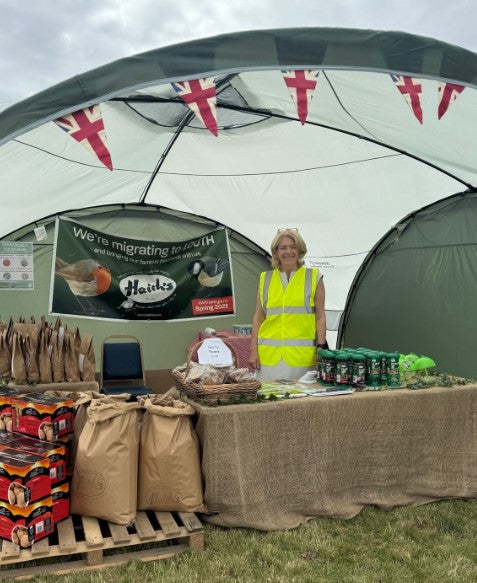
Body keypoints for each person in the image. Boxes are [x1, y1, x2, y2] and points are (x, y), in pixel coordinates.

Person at [248, 228, 327, 381]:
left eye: (293, 247)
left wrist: (321, 347)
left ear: (300, 250)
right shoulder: (266, 279)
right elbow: (258, 318)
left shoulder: (314, 277)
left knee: (301, 402)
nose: (288, 252)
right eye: (282, 248)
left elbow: (320, 317)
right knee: (269, 401)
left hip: (301, 358)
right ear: (276, 252)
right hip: (269, 358)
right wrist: (253, 351)